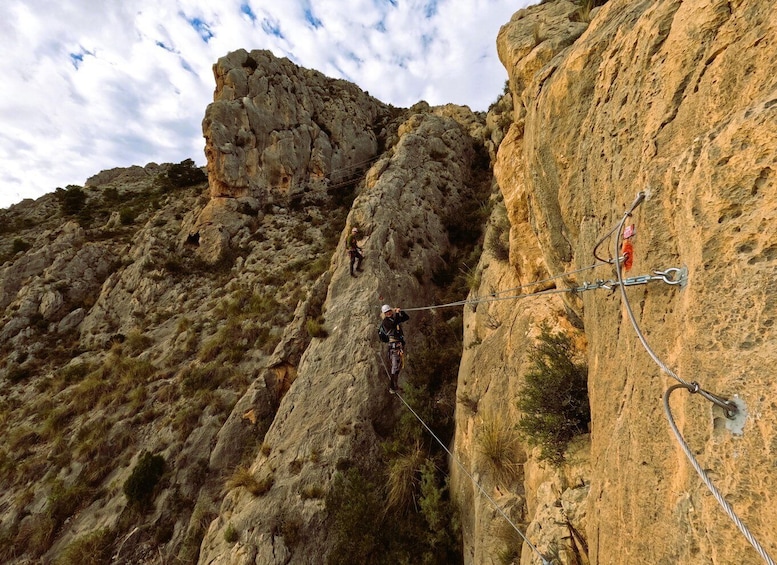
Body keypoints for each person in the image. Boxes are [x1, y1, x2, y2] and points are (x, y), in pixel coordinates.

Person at [380, 304, 410, 392]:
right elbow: (393, 325)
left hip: (398, 344)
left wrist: (401, 312)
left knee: (398, 366)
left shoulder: (394, 318)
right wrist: (396, 314)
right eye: (386, 312)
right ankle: (392, 387)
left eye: (389, 311)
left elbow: (406, 318)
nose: (388, 313)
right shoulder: (385, 322)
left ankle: (394, 386)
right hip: (394, 346)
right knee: (395, 367)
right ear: (384, 314)